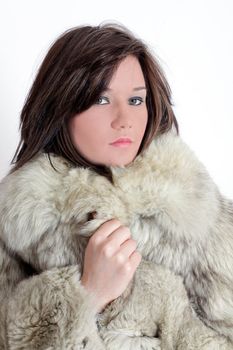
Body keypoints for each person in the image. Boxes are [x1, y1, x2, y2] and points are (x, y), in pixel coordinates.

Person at [0, 23, 232, 349]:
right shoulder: (15, 224)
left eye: (136, 100)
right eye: (101, 99)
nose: (124, 118)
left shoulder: (194, 207)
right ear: (62, 106)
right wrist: (88, 293)